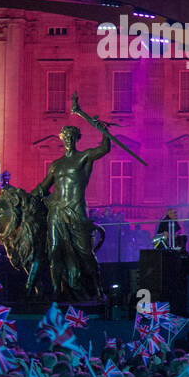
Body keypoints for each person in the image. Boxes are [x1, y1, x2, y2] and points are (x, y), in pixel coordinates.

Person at [35, 93, 112, 298]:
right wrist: (25, 196)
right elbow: (42, 187)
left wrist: (103, 132)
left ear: (77, 138)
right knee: (54, 251)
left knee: (85, 253)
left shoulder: (83, 157)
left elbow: (104, 149)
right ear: (61, 139)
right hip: (56, 211)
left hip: (75, 210)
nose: (68, 139)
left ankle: (96, 288)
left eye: (71, 136)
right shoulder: (56, 165)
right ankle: (56, 291)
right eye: (65, 136)